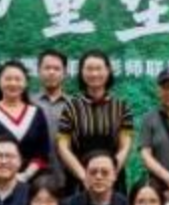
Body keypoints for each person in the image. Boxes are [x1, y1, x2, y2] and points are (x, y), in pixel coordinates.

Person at [57, 50, 135, 187]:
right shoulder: (70, 107)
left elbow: (126, 146)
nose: (94, 74)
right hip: (79, 179)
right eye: (89, 69)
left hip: (113, 179)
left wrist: (110, 173)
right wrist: (84, 176)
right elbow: (63, 147)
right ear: (82, 72)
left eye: (99, 68)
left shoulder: (121, 107)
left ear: (108, 71)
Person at [0, 61, 57, 186]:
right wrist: (7, 177)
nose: (13, 83)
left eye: (18, 79)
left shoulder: (36, 113)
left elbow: (42, 153)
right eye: (8, 79)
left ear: (25, 83)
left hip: (32, 182)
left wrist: (25, 176)